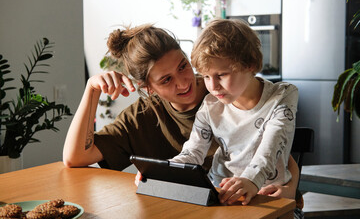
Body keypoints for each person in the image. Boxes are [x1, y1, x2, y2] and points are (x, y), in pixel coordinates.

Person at [62, 23, 300, 207]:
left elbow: (275, 146)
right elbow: (74, 158)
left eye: (183, 66)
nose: (185, 82)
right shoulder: (147, 115)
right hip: (210, 203)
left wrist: (291, 184)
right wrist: (91, 90)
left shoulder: (227, 88)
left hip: (261, 196)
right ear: (148, 88)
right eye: (166, 80)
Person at [170, 18, 299, 208]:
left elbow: (270, 149)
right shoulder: (210, 104)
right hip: (221, 195)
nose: (212, 86)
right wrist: (165, 170)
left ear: (250, 64)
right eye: (206, 76)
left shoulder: (283, 95)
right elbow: (193, 151)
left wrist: (250, 180)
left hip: (266, 195)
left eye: (221, 75)